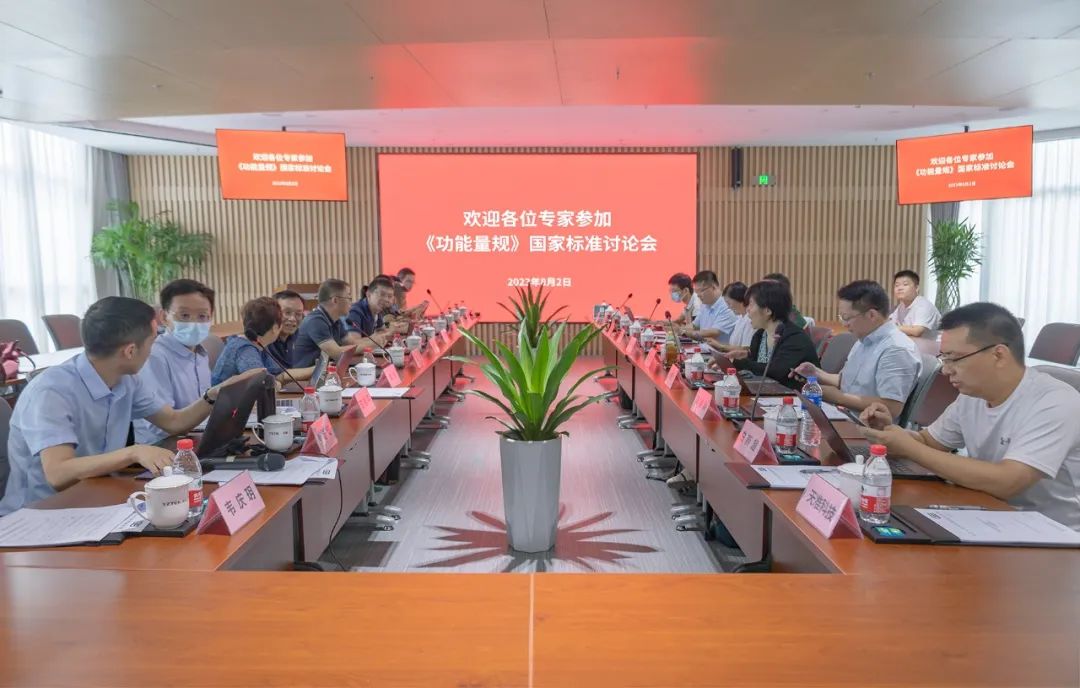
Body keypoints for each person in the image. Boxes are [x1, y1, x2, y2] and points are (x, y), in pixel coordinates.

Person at [0, 297, 261, 516]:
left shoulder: (126, 379)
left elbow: (173, 422)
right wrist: (132, 453)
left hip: (96, 498)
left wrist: (213, 396)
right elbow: (58, 473)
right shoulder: (51, 391)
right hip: (39, 516)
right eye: (153, 340)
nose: (155, 348)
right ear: (130, 351)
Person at [860, 303, 1080, 531]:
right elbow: (928, 442)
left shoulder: (1055, 402)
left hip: (1054, 534)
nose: (946, 370)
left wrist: (909, 447)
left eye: (954, 358)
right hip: (989, 515)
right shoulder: (972, 396)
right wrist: (890, 434)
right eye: (944, 358)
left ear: (998, 355)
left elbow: (1008, 482)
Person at [793, 280, 920, 418]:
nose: (844, 324)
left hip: (866, 425)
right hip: (842, 415)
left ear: (871, 315)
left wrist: (839, 397)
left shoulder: (896, 349)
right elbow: (848, 382)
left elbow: (892, 407)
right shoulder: (863, 340)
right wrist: (817, 373)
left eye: (847, 318)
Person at [133, 279, 215, 444]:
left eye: (202, 316)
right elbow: (162, 427)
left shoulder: (201, 354)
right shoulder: (154, 356)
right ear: (164, 317)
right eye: (184, 315)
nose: (194, 323)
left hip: (197, 439)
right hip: (161, 447)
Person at [728, 280, 819, 389]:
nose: (747, 310)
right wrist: (743, 357)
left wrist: (736, 362)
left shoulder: (795, 338)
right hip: (769, 394)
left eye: (751, 305)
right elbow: (756, 366)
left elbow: (776, 372)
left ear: (767, 310)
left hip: (799, 397)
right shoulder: (760, 335)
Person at [212, 297, 315, 385]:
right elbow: (261, 385)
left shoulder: (259, 345)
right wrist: (276, 384)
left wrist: (316, 369)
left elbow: (279, 375)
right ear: (275, 328)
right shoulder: (244, 349)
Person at [292, 278, 361, 368]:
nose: (351, 302)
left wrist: (374, 340)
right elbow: (337, 353)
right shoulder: (316, 321)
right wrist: (374, 343)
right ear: (335, 300)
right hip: (305, 374)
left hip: (323, 371)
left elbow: (351, 343)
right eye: (349, 298)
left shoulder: (336, 320)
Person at [346, 275, 409, 348]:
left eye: (389, 296)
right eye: (382, 294)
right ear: (369, 295)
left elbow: (383, 327)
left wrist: (393, 328)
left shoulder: (377, 311)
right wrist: (381, 335)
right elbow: (352, 343)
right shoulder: (355, 312)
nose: (386, 299)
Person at [680, 270, 738, 347]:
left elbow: (713, 332)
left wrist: (684, 332)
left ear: (713, 287)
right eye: (696, 292)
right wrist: (679, 330)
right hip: (704, 349)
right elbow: (694, 326)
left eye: (701, 291)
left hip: (719, 352)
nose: (698, 295)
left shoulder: (727, 306)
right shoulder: (705, 304)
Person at [889, 269, 941, 339]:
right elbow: (890, 321)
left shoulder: (923, 305)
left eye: (905, 284)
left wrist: (891, 327)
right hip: (914, 344)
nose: (900, 288)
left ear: (916, 288)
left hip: (936, 345)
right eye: (897, 285)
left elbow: (917, 331)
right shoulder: (901, 306)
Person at [705, 282, 753, 352]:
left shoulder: (750, 320)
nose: (728, 307)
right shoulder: (740, 318)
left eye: (729, 303)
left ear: (738, 299)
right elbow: (734, 345)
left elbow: (746, 350)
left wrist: (720, 346)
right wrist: (717, 345)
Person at [266, 289, 305, 368]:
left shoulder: (297, 335)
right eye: (287, 313)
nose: (292, 319)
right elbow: (278, 373)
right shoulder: (264, 339)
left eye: (298, 314)